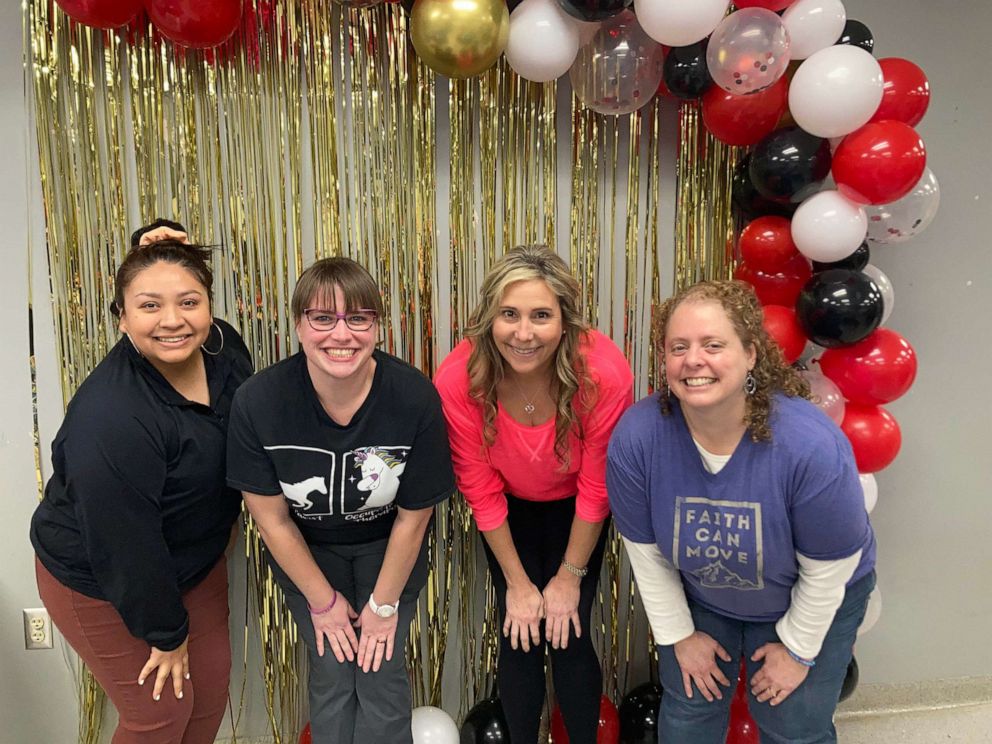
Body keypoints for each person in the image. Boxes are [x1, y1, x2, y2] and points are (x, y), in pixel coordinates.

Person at [606, 279, 876, 744]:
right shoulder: (638, 437)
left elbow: (830, 567)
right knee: (689, 714)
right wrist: (679, 636)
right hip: (709, 593)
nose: (694, 360)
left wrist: (796, 650)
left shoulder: (808, 444)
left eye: (713, 345)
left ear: (751, 353)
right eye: (678, 347)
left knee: (792, 723)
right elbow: (645, 551)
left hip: (811, 590)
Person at [30, 220, 253, 744]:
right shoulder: (111, 416)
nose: (173, 321)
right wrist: (166, 634)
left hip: (194, 561)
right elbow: (123, 544)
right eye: (149, 305)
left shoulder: (224, 347)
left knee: (209, 699)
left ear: (209, 306)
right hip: (104, 577)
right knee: (161, 716)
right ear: (122, 318)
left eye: (189, 302)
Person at [225, 257, 454, 744]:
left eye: (358, 318)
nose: (341, 334)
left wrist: (384, 606)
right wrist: (323, 602)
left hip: (387, 547)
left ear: (377, 325)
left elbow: (415, 518)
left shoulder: (413, 397)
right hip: (308, 552)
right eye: (322, 318)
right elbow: (272, 522)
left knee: (379, 671)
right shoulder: (258, 402)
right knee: (333, 674)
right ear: (298, 324)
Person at [434, 245, 634, 744]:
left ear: (565, 321)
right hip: (508, 510)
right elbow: (479, 487)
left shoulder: (603, 373)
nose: (523, 333)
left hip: (579, 510)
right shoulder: (459, 377)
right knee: (519, 631)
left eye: (541, 316)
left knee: (570, 630)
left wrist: (569, 577)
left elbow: (596, 485)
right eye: (509, 315)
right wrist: (519, 586)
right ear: (488, 318)